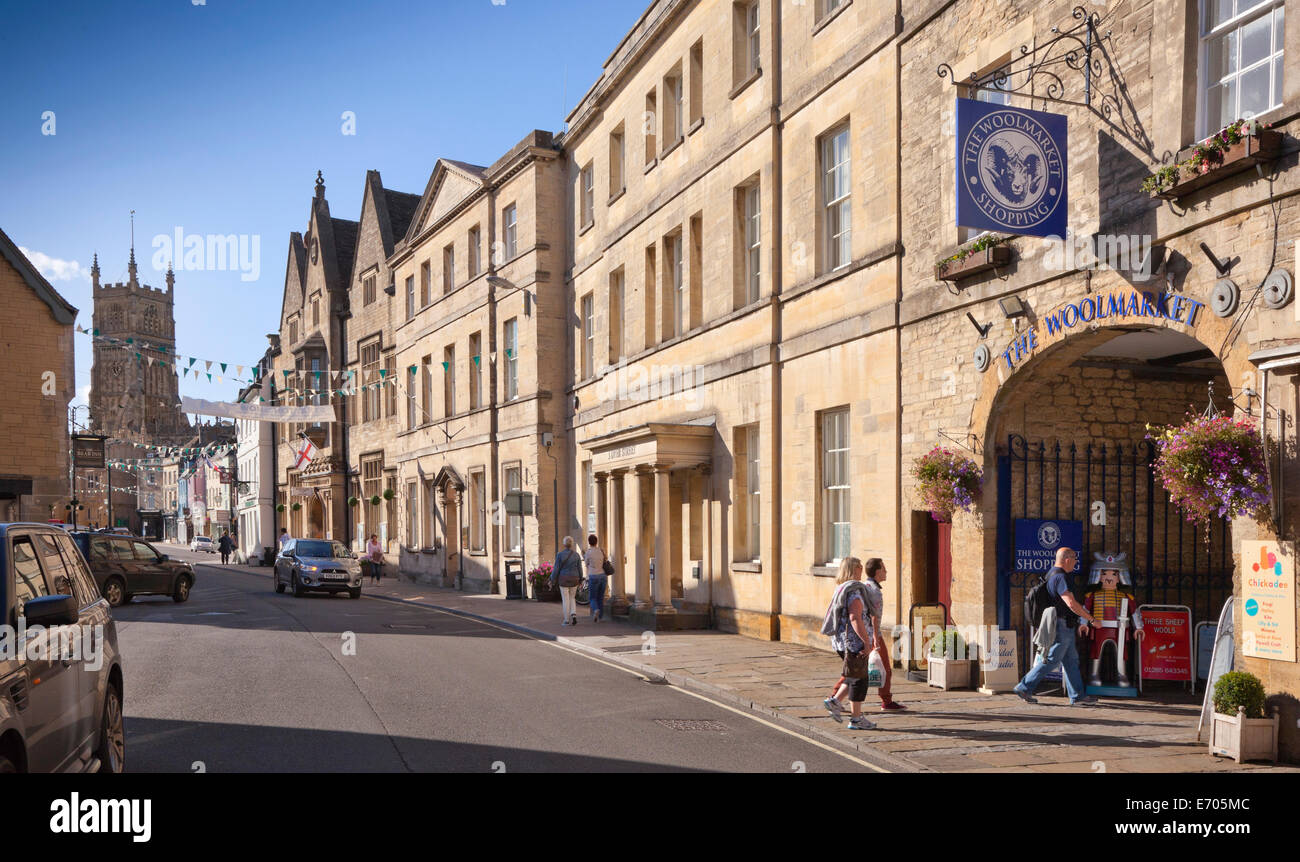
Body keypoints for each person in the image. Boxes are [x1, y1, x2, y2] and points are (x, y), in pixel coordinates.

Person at [1014, 546, 1100, 706]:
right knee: (1052, 660)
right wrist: (1091, 619)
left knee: (1071, 661)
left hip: (1062, 624)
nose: (1075, 562)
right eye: (1074, 558)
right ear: (1067, 559)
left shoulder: (1051, 574)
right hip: (1062, 625)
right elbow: (1071, 603)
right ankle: (1024, 686)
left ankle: (1078, 696)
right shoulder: (1061, 577)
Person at [820, 556, 876, 730]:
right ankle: (856, 719)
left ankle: (835, 701)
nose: (862, 569)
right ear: (853, 569)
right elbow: (855, 618)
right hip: (853, 642)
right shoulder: (854, 591)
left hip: (841, 642)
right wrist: (866, 642)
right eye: (859, 566)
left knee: (853, 675)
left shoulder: (841, 588)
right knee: (860, 680)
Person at [861, 558, 905, 711]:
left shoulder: (865, 586)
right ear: (878, 571)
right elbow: (875, 616)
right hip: (873, 634)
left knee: (854, 669)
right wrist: (875, 639)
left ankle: (834, 697)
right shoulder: (875, 592)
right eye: (884, 569)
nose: (886, 572)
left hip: (860, 633)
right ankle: (886, 701)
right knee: (885, 668)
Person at [553, 536, 584, 627]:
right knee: (572, 597)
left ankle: (566, 620)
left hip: (564, 579)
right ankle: (573, 614)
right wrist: (581, 578)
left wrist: (552, 578)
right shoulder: (576, 555)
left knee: (565, 599)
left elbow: (556, 569)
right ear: (572, 544)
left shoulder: (560, 555)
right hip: (574, 578)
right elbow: (580, 568)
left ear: (564, 544)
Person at [583, 534, 608, 622]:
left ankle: (596, 609)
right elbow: (606, 560)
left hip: (593, 576)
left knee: (592, 597)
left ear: (589, 542)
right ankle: (600, 617)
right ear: (596, 542)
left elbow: (586, 564)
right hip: (603, 576)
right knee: (600, 597)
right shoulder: (601, 550)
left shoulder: (588, 552)